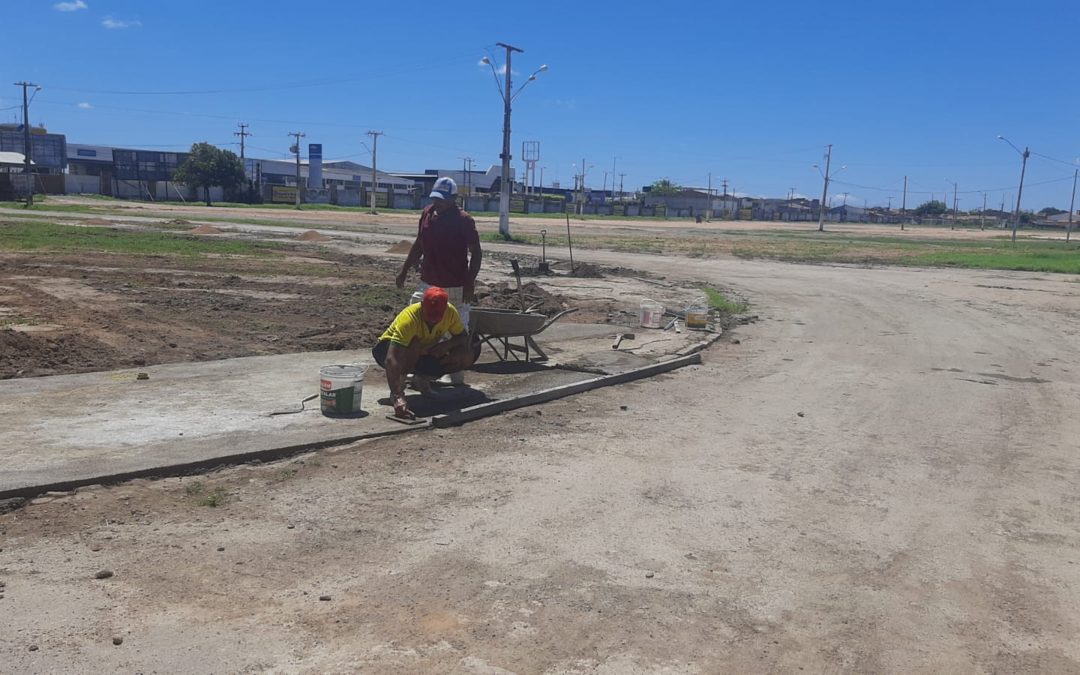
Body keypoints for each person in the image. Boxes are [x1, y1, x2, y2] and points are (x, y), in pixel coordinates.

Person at [372, 286, 478, 419]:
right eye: (430, 315)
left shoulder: (450, 312)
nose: (433, 320)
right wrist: (397, 395)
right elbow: (392, 358)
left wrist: (446, 345)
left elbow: (462, 336)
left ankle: (422, 379)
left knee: (465, 355)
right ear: (422, 305)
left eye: (437, 316)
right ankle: (399, 387)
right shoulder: (409, 318)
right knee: (414, 344)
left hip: (423, 350)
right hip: (388, 349)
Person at [396, 176, 482, 332]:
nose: (438, 203)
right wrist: (404, 270)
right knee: (417, 323)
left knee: (455, 330)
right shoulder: (427, 213)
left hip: (455, 286)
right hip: (428, 282)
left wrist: (469, 282)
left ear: (454, 199)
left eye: (442, 199)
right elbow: (418, 245)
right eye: (435, 198)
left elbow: (476, 253)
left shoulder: (463, 220)